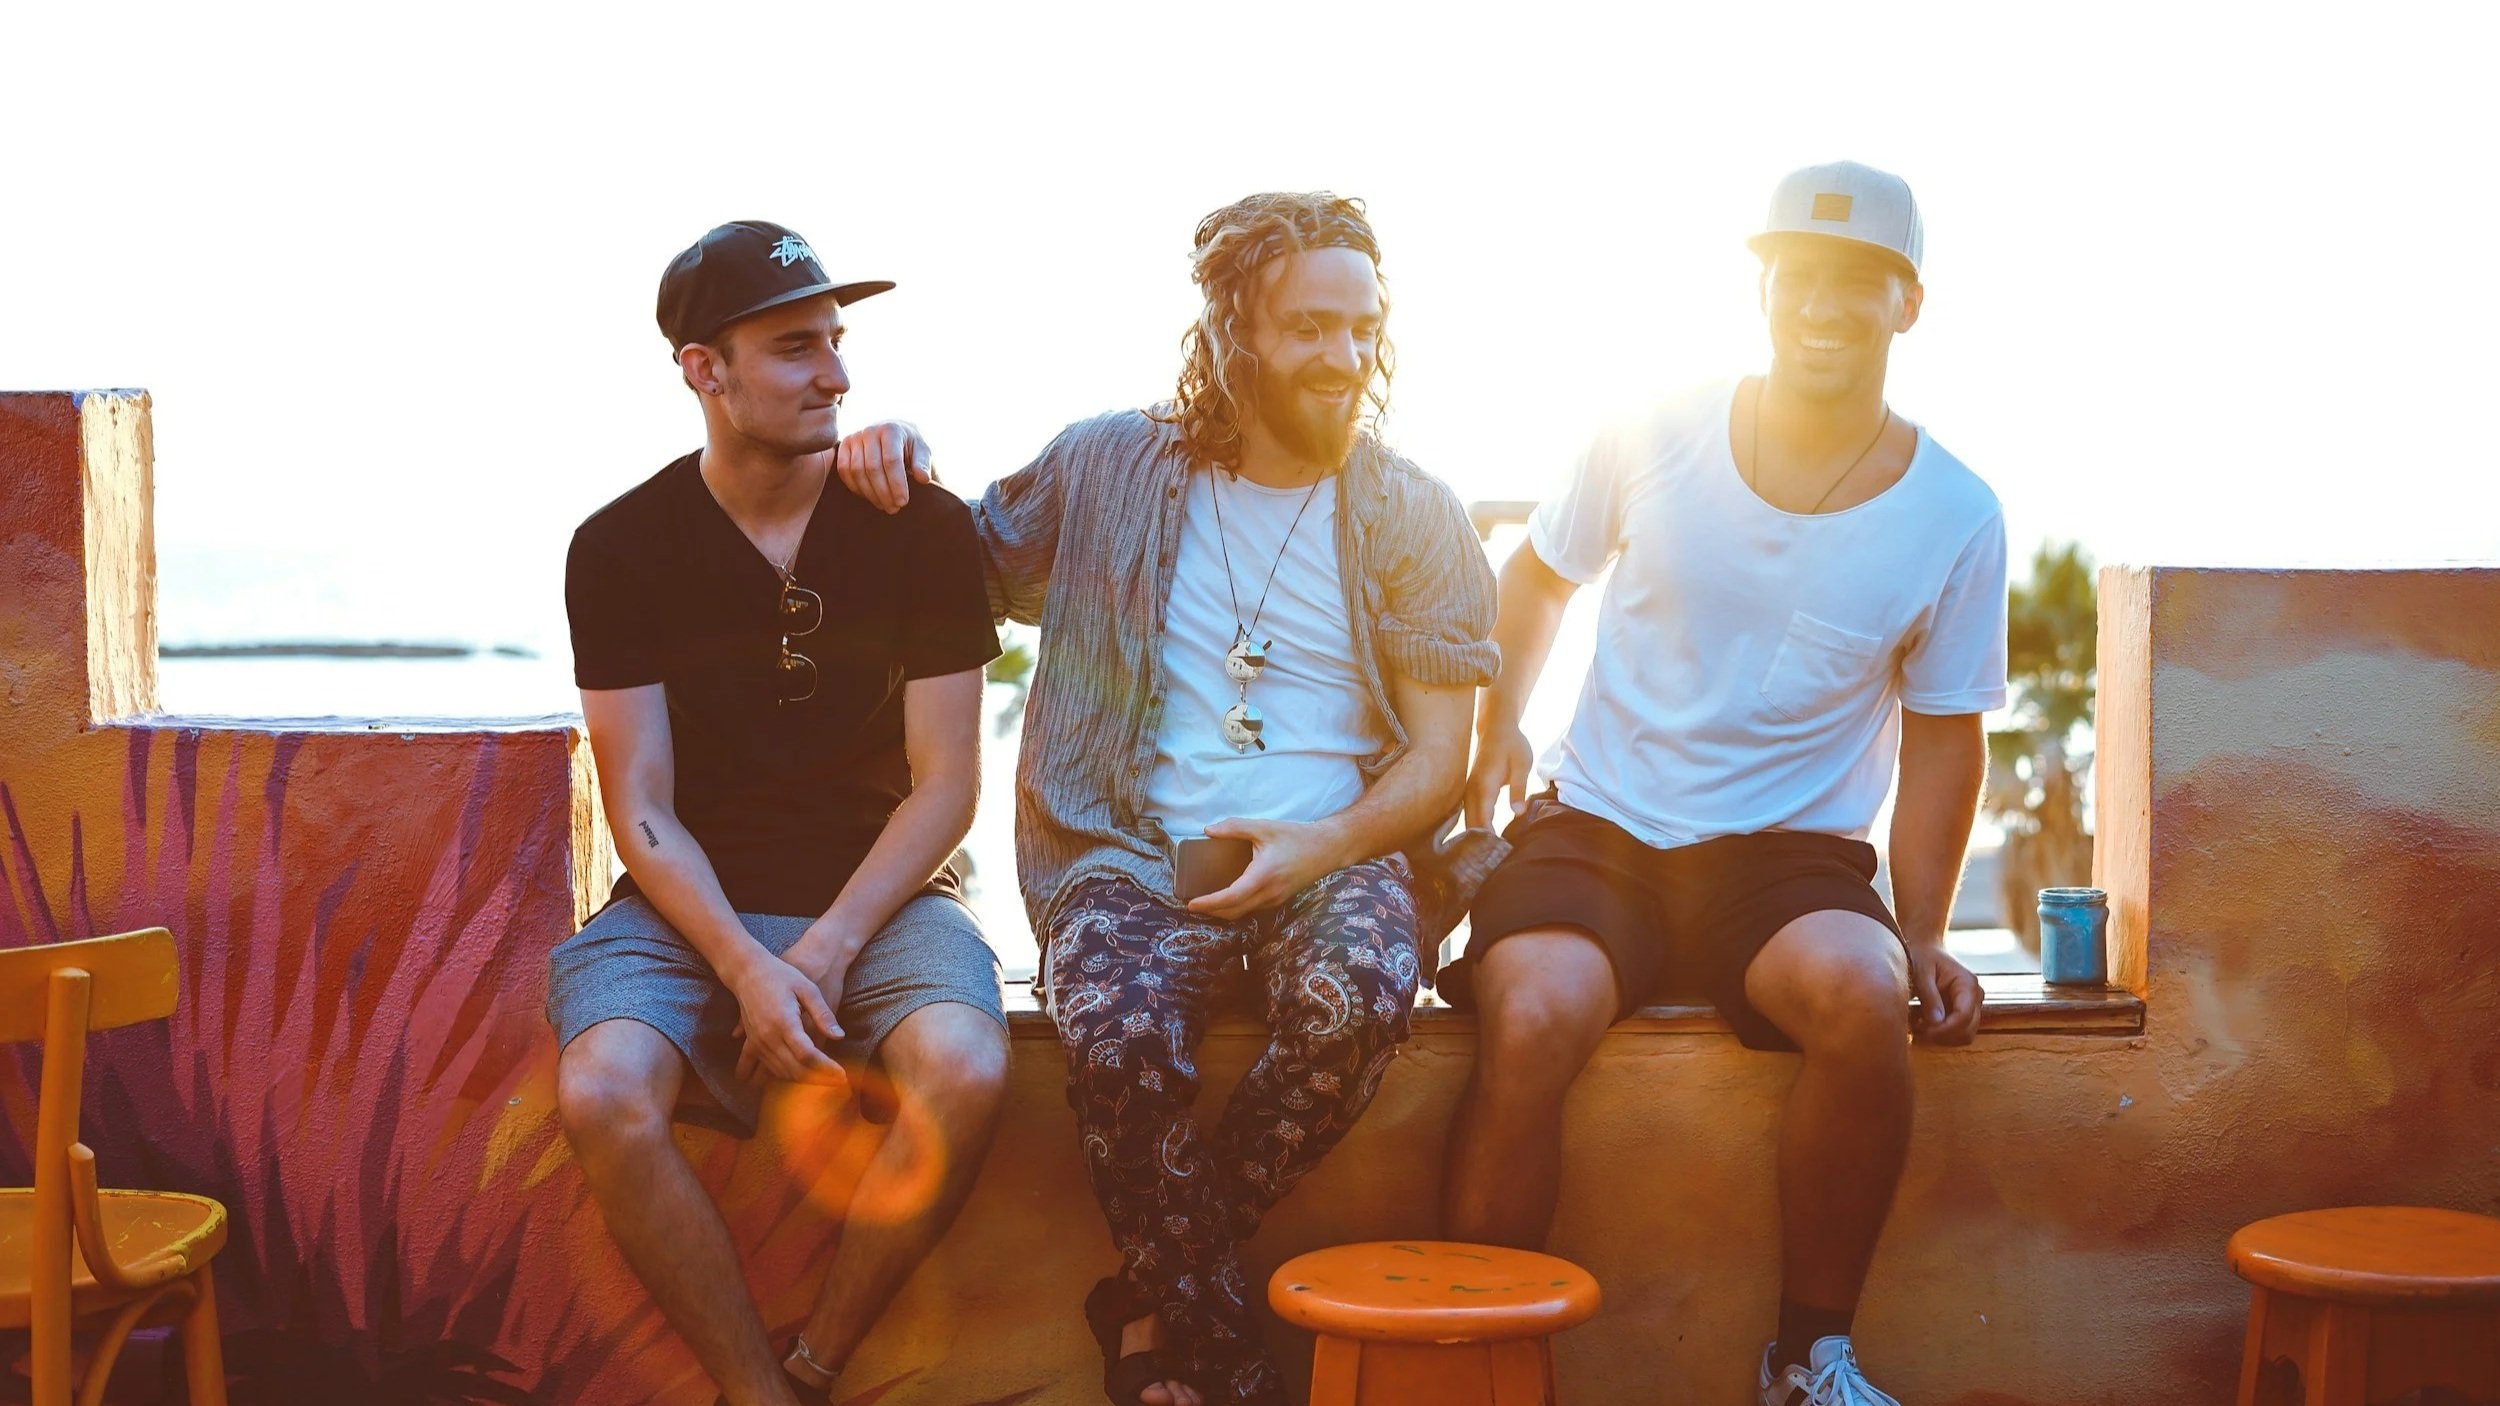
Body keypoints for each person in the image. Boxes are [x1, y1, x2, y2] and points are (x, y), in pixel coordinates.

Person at [837, 192, 1499, 1406]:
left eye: (1363, 328)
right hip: (1123, 856)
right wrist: (898, 443)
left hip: (1336, 851)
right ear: (1230, 326)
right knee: (1121, 1041)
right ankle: (1229, 1364)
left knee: (1353, 999)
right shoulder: (1106, 465)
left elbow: (1438, 760)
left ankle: (1149, 1304)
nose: (1344, 358)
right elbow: (951, 558)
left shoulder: (1414, 511)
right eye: (1309, 327)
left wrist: (1317, 846)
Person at [1437, 162, 2006, 1406]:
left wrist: (1919, 931)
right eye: (1800, 275)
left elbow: (1945, 735)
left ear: (1906, 305)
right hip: (1602, 822)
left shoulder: (1956, 512)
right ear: (1761, 285)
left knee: (1864, 1000)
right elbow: (1537, 580)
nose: (1822, 305)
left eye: (1859, 284)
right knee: (1529, 1011)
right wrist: (1499, 734)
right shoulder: (1653, 427)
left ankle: (1808, 1360)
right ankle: (1468, 1359)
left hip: (1787, 855)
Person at [547, 220, 1010, 1406]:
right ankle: (756, 1391)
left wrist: (819, 948)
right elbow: (639, 803)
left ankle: (817, 1363)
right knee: (603, 1088)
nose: (838, 375)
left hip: (885, 888)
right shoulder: (618, 547)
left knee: (962, 1065)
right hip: (689, 895)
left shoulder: (923, 524)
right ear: (704, 369)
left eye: (838, 343)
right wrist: (746, 966)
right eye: (796, 347)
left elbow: (946, 784)